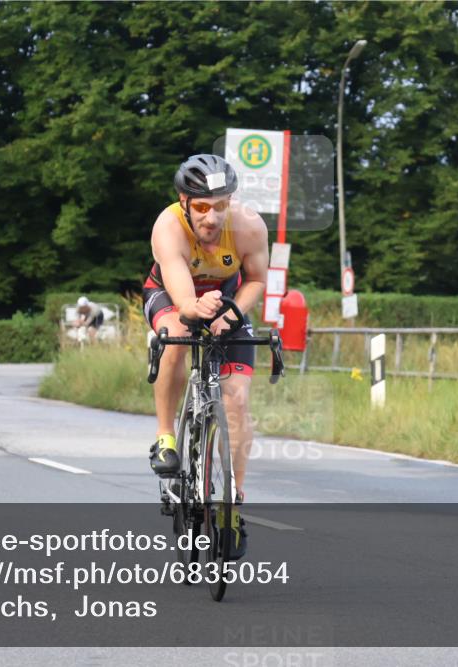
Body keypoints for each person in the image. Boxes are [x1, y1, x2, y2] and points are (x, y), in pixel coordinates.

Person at [142, 154, 269, 559]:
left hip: (227, 301)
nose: (211, 218)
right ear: (184, 201)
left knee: (237, 397)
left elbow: (257, 280)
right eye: (201, 207)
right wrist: (197, 309)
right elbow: (183, 302)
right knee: (178, 333)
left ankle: (233, 499)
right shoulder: (168, 227)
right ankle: (165, 437)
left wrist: (231, 312)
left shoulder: (249, 227)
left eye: (220, 205)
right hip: (171, 294)